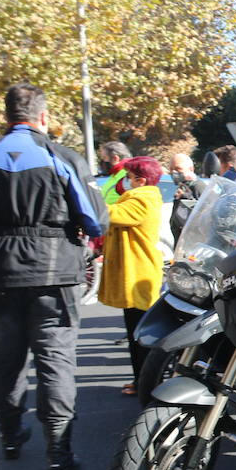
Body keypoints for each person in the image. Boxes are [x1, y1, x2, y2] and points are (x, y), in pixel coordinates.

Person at [0, 82, 108, 470]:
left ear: (6, 117)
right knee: (55, 361)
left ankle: (10, 435)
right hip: (55, 275)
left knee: (5, 362)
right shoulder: (61, 156)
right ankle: (59, 450)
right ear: (44, 117)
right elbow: (95, 218)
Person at [99, 156, 165, 396]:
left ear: (141, 180)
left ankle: (146, 384)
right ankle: (141, 381)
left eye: (128, 177)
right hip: (136, 271)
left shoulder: (142, 198)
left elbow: (113, 214)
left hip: (138, 273)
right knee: (135, 333)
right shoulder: (140, 197)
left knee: (140, 336)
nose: (125, 182)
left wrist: (89, 198)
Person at [167, 152, 208, 244]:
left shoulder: (199, 187)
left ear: (191, 169)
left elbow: (204, 218)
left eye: (178, 169)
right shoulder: (183, 187)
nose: (174, 172)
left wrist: (186, 198)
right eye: (171, 169)